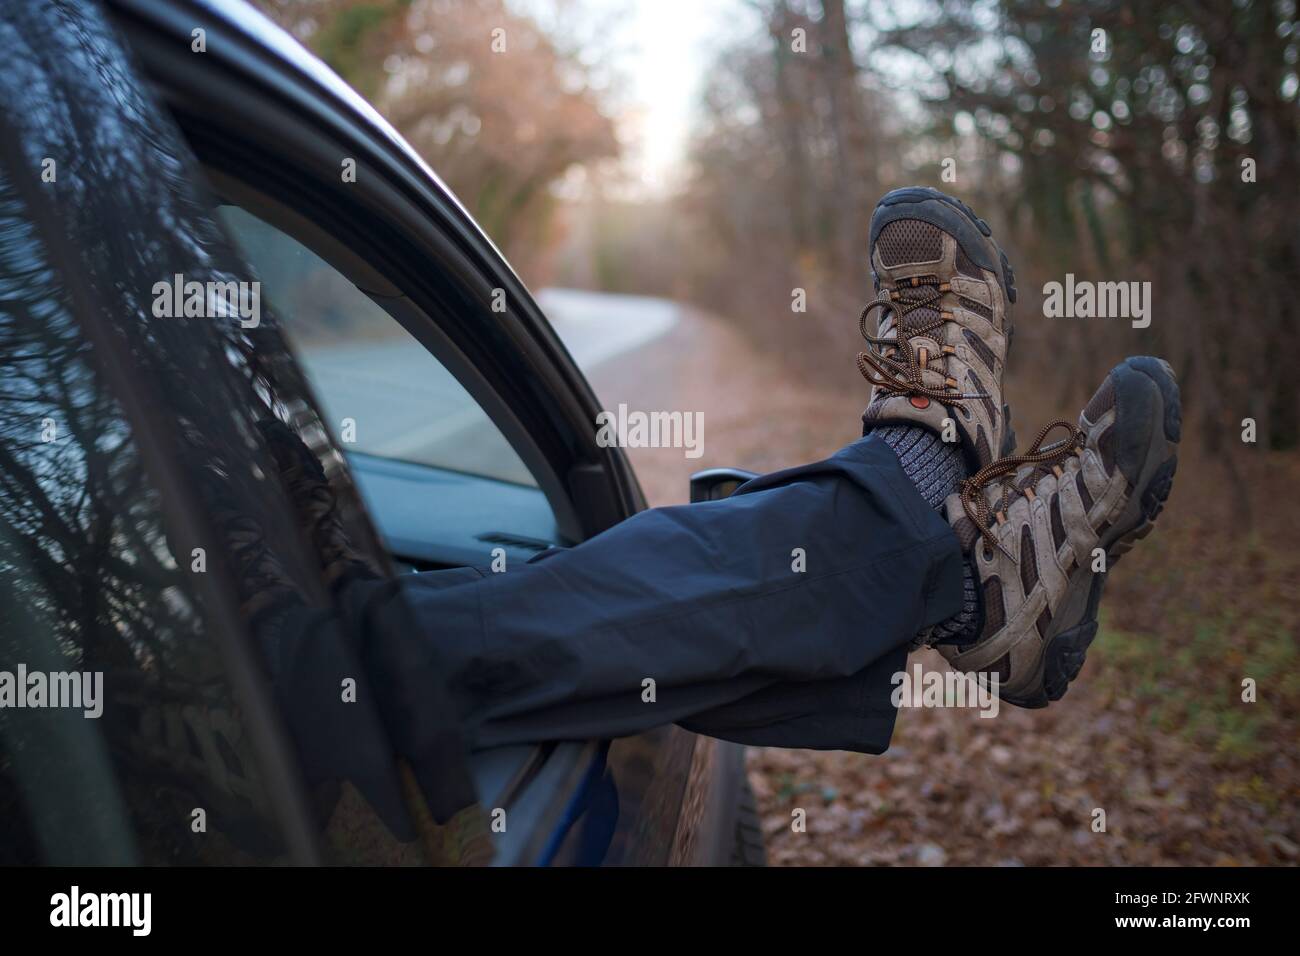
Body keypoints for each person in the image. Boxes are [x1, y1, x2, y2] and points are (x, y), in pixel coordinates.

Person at [228, 187, 1179, 838]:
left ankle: (954, 567)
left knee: (426, 623)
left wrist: (290, 530)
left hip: (226, 668)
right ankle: (939, 523)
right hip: (240, 695)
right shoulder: (174, 679)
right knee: (386, 648)